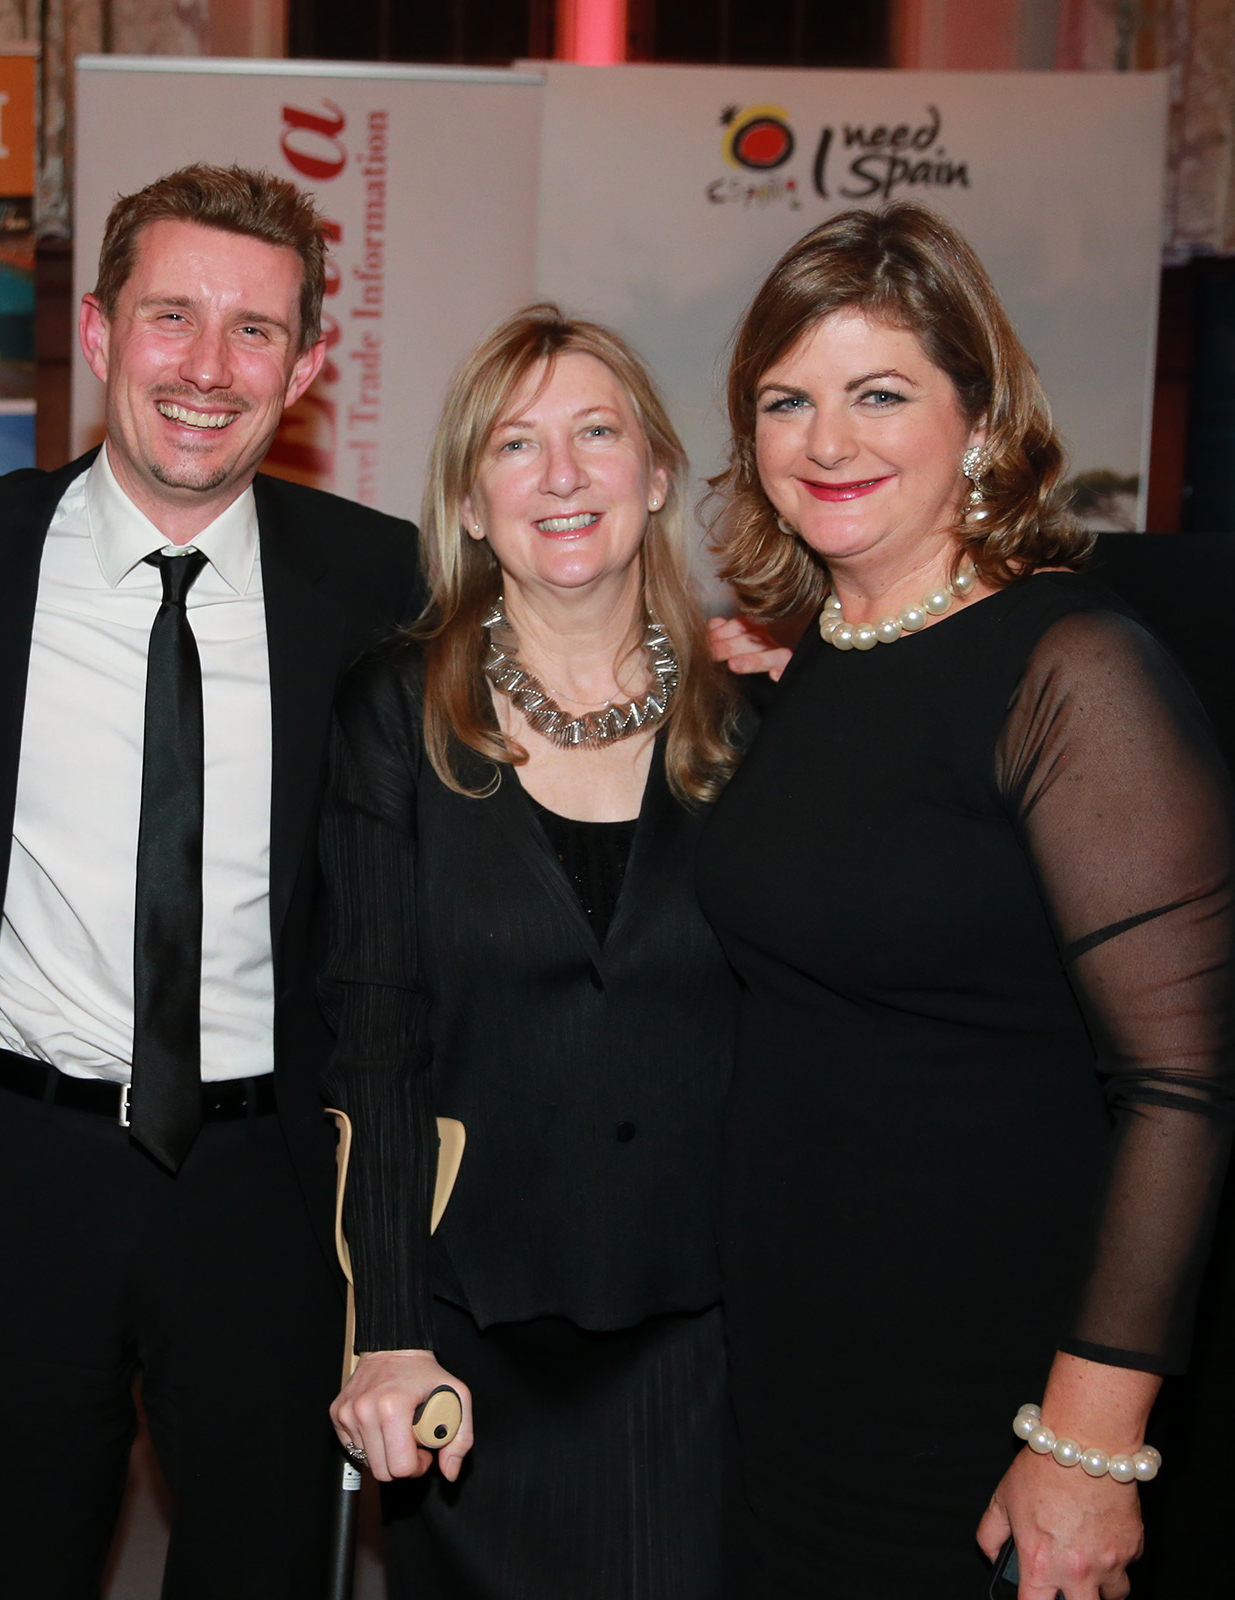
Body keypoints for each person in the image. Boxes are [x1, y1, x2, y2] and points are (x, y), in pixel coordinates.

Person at [691, 203, 1235, 1600]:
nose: (829, 441)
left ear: (981, 421)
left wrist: (1089, 1440)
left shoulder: (1073, 670)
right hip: (788, 1372)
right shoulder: (814, 664)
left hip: (984, 1388)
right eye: (788, 401)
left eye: (881, 395)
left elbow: (1182, 1085)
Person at [0, 163, 419, 1599]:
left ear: (305, 367)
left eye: (255, 331)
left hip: (271, 1183)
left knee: (265, 1571)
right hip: (20, 1169)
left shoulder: (383, 585)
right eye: (171, 316)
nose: (206, 367)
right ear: (100, 329)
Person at [320, 308, 745, 1600]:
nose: (561, 474)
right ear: (468, 501)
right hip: (472, 1343)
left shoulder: (756, 725)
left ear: (656, 474)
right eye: (515, 444)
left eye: (597, 433)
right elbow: (376, 1046)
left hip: (712, 1336)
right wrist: (388, 1331)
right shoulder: (395, 713)